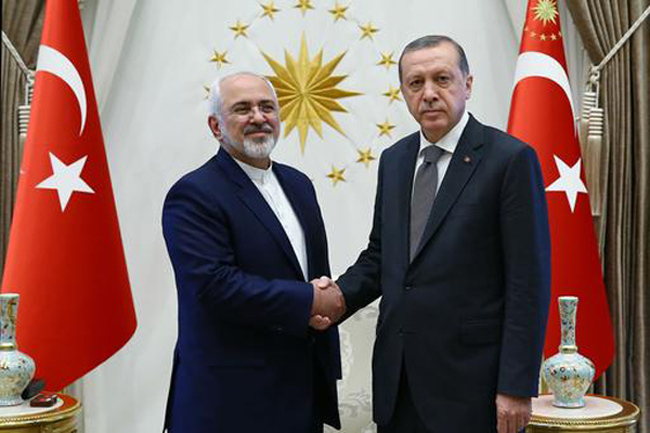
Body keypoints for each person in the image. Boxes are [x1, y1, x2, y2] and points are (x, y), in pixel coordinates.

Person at [318, 35, 551, 433]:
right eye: (415, 83)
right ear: (404, 92)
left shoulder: (510, 159)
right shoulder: (395, 160)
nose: (428, 93)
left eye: (442, 79)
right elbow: (381, 256)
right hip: (399, 380)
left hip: (473, 387)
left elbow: (528, 283)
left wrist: (515, 386)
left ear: (468, 84)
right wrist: (334, 298)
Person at [162, 72, 346, 433]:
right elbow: (216, 287)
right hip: (228, 401)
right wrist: (310, 300)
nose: (258, 117)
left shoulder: (299, 185)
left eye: (267, 107)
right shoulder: (193, 194)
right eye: (242, 109)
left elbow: (311, 273)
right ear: (216, 126)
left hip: (301, 391)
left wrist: (322, 304)